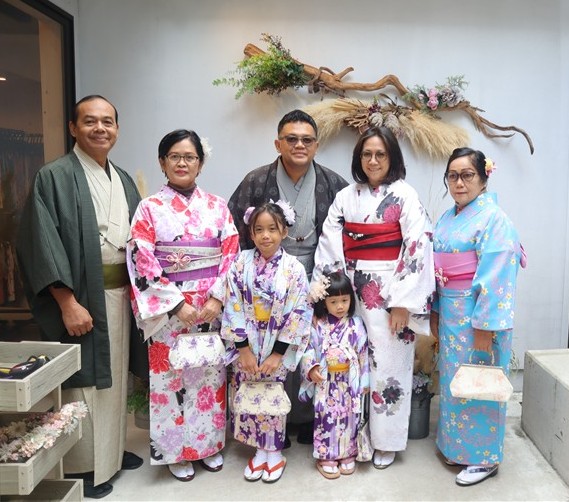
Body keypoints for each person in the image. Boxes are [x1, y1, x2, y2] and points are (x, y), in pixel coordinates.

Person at [16, 95, 145, 499]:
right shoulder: (53, 177)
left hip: (120, 295)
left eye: (108, 121)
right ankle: (84, 465)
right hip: (82, 297)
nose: (100, 128)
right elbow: (42, 243)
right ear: (73, 128)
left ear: (117, 129)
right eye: (90, 121)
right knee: (84, 380)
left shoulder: (122, 179)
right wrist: (66, 302)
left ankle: (112, 451)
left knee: (115, 376)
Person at [313, 126, 435, 470]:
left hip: (391, 293)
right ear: (358, 158)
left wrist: (402, 302)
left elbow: (417, 245)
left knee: (389, 367)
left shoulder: (405, 195)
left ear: (392, 157)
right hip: (351, 292)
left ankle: (386, 441)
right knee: (347, 364)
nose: (373, 160)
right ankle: (345, 439)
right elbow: (330, 240)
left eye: (381, 154)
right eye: (366, 154)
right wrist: (332, 293)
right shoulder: (346, 196)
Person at [228, 109, 348, 445]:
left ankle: (308, 416)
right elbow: (235, 229)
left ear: (316, 145)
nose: (299, 145)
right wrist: (249, 275)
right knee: (270, 346)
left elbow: (345, 233)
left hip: (317, 272)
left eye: (307, 140)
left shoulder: (333, 183)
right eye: (291, 139)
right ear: (277, 143)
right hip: (266, 276)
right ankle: (271, 419)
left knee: (312, 344)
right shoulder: (256, 180)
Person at [126, 129, 239, 482]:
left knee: (209, 375)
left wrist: (218, 297)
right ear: (162, 162)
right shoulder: (149, 208)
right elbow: (141, 257)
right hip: (169, 313)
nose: (182, 163)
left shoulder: (218, 206)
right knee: (170, 380)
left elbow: (231, 253)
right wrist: (176, 305)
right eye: (174, 156)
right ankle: (175, 450)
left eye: (189, 157)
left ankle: (208, 446)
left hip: (209, 309)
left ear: (200, 164)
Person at [430, 148, 525, 486]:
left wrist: (485, 327)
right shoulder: (448, 217)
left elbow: (497, 276)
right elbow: (438, 269)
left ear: (484, 178)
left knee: (481, 383)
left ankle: (484, 458)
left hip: (478, 316)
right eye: (453, 176)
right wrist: (436, 310)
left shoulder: (494, 219)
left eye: (467, 175)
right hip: (451, 311)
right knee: (456, 382)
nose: (459, 182)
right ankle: (457, 447)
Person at [221, 201, 312, 483]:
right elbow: (232, 303)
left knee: (272, 394)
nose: (265, 236)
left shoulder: (294, 268)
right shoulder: (240, 263)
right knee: (250, 392)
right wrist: (243, 349)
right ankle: (259, 450)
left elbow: (299, 311)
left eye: (272, 229)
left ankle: (274, 452)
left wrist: (278, 353)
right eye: (258, 229)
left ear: (284, 231)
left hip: (277, 343)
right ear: (250, 233)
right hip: (247, 342)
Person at [299, 270, 369, 479]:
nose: (340, 306)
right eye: (333, 302)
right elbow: (308, 348)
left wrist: (364, 380)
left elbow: (362, 352)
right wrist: (311, 368)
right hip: (326, 381)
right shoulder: (318, 325)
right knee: (326, 416)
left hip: (348, 381)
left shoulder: (356, 324)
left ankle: (348, 453)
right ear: (324, 303)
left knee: (350, 417)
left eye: (345, 300)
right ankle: (326, 455)